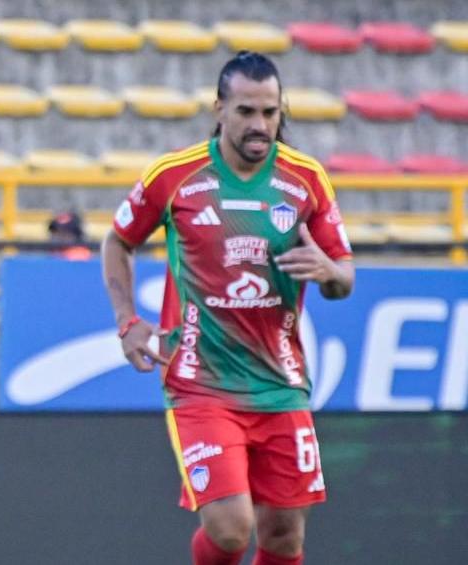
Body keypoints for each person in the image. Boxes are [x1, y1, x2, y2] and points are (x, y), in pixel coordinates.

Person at [100, 51, 354, 565]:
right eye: (246, 112)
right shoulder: (175, 177)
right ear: (219, 109)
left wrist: (330, 273)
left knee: (284, 537)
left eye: (269, 112)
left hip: (280, 383)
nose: (259, 125)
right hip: (201, 382)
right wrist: (127, 321)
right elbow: (117, 241)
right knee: (232, 527)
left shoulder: (306, 180)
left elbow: (345, 276)